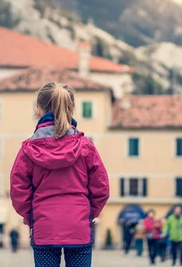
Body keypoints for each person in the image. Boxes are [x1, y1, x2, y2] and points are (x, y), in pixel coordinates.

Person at [10, 82, 110, 267]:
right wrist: (87, 213)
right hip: (78, 226)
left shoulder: (28, 149)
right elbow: (101, 188)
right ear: (71, 108)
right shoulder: (86, 147)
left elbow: (18, 191)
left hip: (45, 226)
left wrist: (32, 216)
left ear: (38, 110)